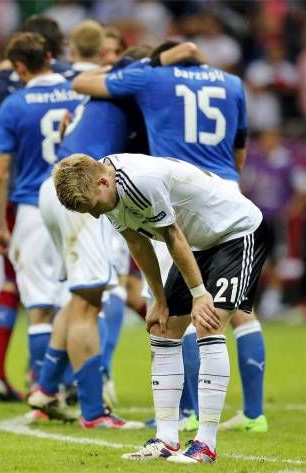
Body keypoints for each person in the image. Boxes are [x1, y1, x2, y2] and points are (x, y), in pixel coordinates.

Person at [73, 40, 268, 433]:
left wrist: (145, 63)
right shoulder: (230, 82)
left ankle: (193, 416)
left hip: (178, 201)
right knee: (235, 316)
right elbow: (241, 148)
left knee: (206, 316)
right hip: (218, 184)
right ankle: (251, 412)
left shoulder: (151, 77)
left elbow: (82, 82)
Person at [53, 153, 267, 463]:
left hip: (237, 231)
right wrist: (159, 301)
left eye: (94, 207)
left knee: (207, 323)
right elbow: (138, 243)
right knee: (162, 328)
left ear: (102, 181)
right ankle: (166, 440)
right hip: (200, 243)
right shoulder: (108, 187)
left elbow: (172, 235)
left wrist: (199, 294)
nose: (97, 215)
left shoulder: (139, 181)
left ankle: (205, 445)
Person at [28, 21, 141, 429]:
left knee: (78, 298)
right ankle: (93, 412)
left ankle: (44, 390)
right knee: (90, 304)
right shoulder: (133, 93)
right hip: (81, 187)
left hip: (56, 184)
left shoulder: (99, 91)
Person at [0, 32, 82, 408]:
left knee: (40, 307)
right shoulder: (78, 93)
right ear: (49, 55)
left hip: (31, 208)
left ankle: (44, 389)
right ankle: (81, 386)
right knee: (76, 299)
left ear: (20, 67)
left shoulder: (13, 104)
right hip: (77, 206)